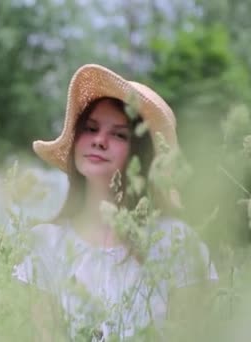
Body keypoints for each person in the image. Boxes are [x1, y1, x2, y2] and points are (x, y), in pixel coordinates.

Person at [13, 64, 218, 340]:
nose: (99, 141)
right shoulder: (46, 244)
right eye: (90, 128)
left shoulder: (175, 242)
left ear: (140, 154)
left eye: (119, 134)